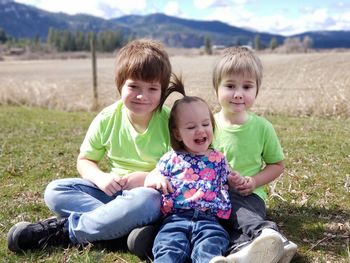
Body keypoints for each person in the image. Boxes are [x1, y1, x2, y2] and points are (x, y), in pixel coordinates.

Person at [7, 39, 185, 253]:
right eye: (133, 86)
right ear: (120, 84)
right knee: (55, 191)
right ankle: (121, 230)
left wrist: (151, 176)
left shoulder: (170, 121)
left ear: (162, 90)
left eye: (152, 88)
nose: (142, 95)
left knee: (147, 201)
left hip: (149, 196)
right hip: (112, 192)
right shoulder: (107, 118)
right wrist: (101, 178)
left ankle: (66, 232)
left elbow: (181, 161)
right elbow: (85, 161)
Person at [209, 46, 298, 263]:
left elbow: (276, 164)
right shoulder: (207, 125)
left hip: (251, 197)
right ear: (216, 90)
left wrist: (253, 181)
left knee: (230, 206)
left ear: (256, 91)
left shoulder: (262, 128)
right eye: (230, 86)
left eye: (247, 86)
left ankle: (269, 233)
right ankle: (245, 251)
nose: (238, 93)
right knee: (214, 221)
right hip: (213, 197)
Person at [145, 81, 242, 263]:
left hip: (210, 221)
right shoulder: (170, 159)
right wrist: (156, 177)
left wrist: (237, 180)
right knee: (168, 248)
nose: (200, 131)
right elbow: (151, 176)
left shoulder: (218, 158)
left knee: (210, 246)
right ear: (177, 134)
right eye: (191, 127)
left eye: (205, 124)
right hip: (175, 220)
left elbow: (230, 177)